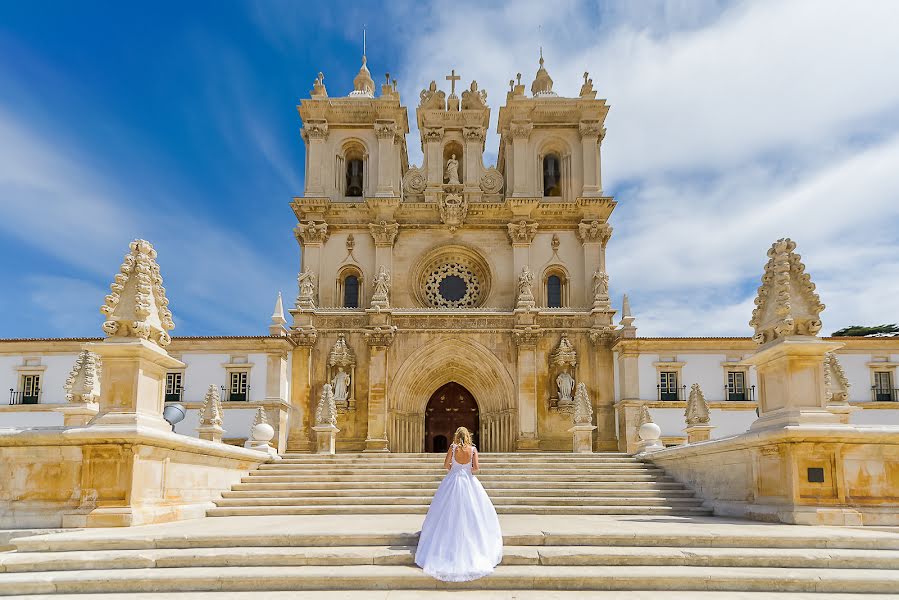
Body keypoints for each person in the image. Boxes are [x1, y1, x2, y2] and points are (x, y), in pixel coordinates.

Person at [415, 426, 503, 581]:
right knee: (473, 513)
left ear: (456, 436)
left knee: (446, 512)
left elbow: (445, 465)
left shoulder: (453, 448)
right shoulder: (473, 450)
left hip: (453, 480)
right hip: (469, 482)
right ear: (468, 436)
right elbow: (475, 468)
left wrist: (455, 469)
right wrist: (466, 468)